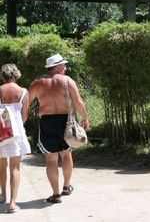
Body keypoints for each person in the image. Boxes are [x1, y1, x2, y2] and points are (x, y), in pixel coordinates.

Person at [28, 53, 89, 204]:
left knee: (51, 159)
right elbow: (78, 101)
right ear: (56, 67)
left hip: (47, 122)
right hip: (65, 121)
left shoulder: (37, 83)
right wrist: (84, 117)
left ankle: (56, 195)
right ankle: (66, 187)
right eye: (63, 65)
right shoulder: (67, 81)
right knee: (66, 155)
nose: (65, 67)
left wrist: (23, 118)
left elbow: (26, 103)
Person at [0, 64, 31, 213]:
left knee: (1, 166)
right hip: (17, 132)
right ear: (16, 74)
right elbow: (25, 115)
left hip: (1, 133)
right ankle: (12, 203)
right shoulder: (23, 92)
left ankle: (3, 195)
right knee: (15, 167)